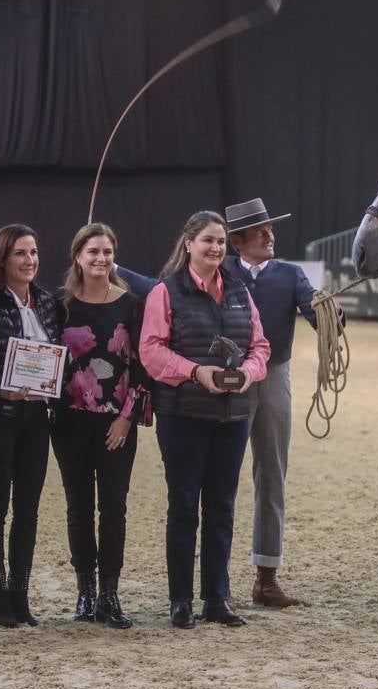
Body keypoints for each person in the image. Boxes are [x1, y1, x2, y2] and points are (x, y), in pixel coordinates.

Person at [140, 211, 270, 629]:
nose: (215, 248)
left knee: (221, 507)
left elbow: (261, 344)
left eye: (220, 242)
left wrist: (249, 373)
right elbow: (151, 350)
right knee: (183, 507)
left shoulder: (238, 290)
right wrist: (197, 372)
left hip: (233, 416)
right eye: (207, 241)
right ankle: (180, 600)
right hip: (184, 415)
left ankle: (216, 597)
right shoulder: (165, 292)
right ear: (189, 244)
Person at [226, 197, 339, 608]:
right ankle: (216, 579)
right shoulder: (218, 272)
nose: (270, 235)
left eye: (270, 228)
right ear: (238, 241)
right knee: (219, 478)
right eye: (261, 230)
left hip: (274, 376)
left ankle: (266, 578)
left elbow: (316, 312)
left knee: (272, 474)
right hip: (228, 378)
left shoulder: (291, 275)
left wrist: (330, 313)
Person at [56, 222, 152, 629]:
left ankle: (109, 594)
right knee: (78, 508)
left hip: (117, 424)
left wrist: (127, 418)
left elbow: (142, 367)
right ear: (78, 255)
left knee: (113, 507)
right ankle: (84, 592)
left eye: (107, 252)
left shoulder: (131, 304)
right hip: (68, 422)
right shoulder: (58, 304)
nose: (100, 259)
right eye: (92, 251)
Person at [0, 224, 65, 627]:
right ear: (3, 260)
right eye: (20, 254)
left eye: (33, 253)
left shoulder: (48, 303)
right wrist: (0, 391)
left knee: (27, 510)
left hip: (37, 421)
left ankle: (20, 592)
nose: (29, 261)